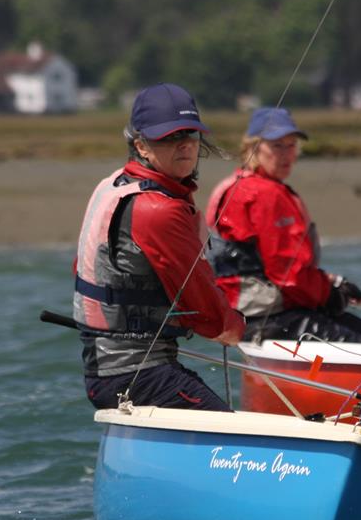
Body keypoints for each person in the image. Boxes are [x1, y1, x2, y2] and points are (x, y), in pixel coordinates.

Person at [73, 82, 245, 410]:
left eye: (190, 135)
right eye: (168, 138)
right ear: (141, 145)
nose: (183, 146)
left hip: (107, 372)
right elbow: (207, 314)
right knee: (231, 433)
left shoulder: (112, 186)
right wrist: (236, 327)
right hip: (136, 374)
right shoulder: (158, 208)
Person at [205, 107, 361, 344]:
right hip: (271, 318)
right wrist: (329, 295)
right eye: (277, 146)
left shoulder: (237, 185)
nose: (286, 154)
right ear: (253, 148)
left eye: (292, 146)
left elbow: (265, 263)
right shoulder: (264, 194)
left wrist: (332, 283)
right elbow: (288, 274)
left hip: (246, 315)